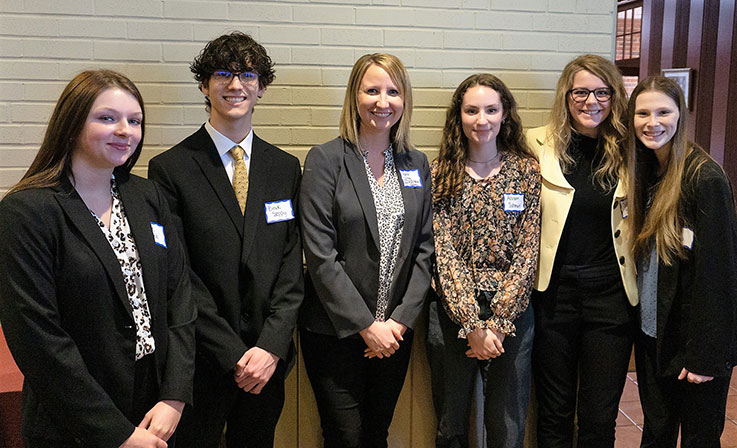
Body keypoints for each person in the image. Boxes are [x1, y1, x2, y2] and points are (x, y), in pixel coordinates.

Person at [0, 69, 196, 448]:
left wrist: (174, 395)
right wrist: (115, 433)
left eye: (134, 121)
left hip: (156, 409)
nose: (125, 130)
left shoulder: (147, 196)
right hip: (74, 420)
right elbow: (37, 338)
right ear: (72, 125)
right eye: (107, 118)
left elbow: (179, 297)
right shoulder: (26, 212)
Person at [147, 32, 303, 448]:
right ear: (204, 85)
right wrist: (232, 354)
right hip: (201, 361)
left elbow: (291, 266)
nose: (235, 85)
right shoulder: (170, 168)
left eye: (247, 75)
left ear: (261, 87)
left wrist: (270, 347)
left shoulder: (285, 167)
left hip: (267, 363)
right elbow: (179, 274)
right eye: (223, 74)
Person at [298, 53, 433, 448]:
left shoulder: (415, 163)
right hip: (334, 331)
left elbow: (424, 249)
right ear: (354, 96)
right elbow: (321, 256)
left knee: (376, 433)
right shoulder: (326, 160)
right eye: (372, 90)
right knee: (345, 436)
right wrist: (366, 326)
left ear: (404, 99)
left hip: (395, 332)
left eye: (393, 91)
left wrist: (398, 323)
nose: (383, 101)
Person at [525, 54, 638, 447]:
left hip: (611, 298)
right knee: (553, 413)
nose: (592, 101)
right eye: (581, 91)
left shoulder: (631, 150)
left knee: (598, 416)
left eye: (602, 91)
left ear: (614, 96)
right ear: (566, 95)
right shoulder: (535, 144)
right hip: (554, 297)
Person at [427, 73, 540, 448]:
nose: (482, 120)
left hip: (513, 315)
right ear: (458, 117)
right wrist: (472, 323)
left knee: (507, 427)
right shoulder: (440, 172)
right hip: (452, 312)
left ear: (505, 114)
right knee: (450, 423)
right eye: (472, 110)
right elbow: (442, 251)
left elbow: (528, 249)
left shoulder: (526, 171)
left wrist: (500, 321)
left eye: (491, 110)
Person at [626, 75, 737, 447]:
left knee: (698, 438)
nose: (652, 122)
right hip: (655, 336)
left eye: (663, 112)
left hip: (694, 343)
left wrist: (706, 356)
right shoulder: (648, 172)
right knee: (656, 432)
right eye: (643, 113)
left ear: (681, 115)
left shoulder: (705, 178)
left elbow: (719, 275)